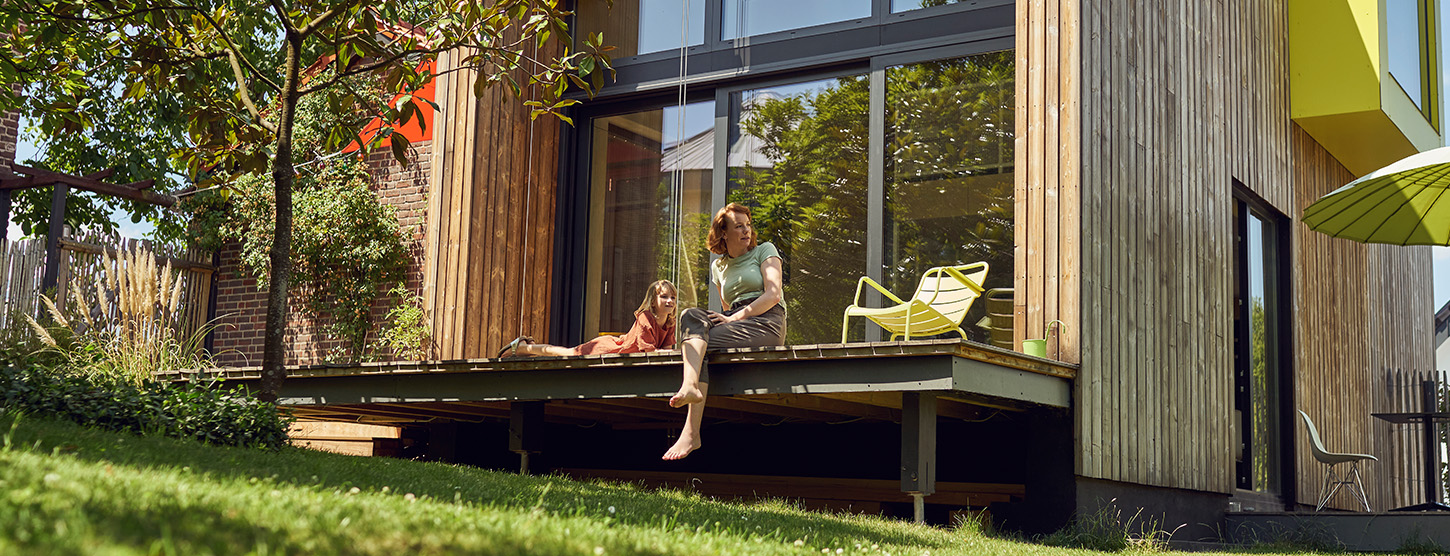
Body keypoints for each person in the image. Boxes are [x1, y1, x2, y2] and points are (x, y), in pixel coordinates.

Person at [664, 203, 786, 460]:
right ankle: (690, 387)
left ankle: (690, 432)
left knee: (697, 344)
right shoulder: (718, 267)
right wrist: (730, 317)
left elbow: (773, 294)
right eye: (738, 226)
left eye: (748, 225)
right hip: (735, 318)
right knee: (690, 316)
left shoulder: (765, 250)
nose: (746, 231)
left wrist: (737, 317)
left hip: (766, 321)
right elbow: (725, 307)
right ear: (723, 234)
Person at [498, 280, 678, 357]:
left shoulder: (669, 321)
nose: (669, 301)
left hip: (620, 353)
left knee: (566, 353)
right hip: (608, 350)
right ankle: (524, 347)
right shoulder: (645, 317)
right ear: (653, 302)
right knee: (567, 353)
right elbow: (649, 351)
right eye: (664, 297)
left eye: (673, 297)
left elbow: (667, 349)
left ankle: (524, 349)